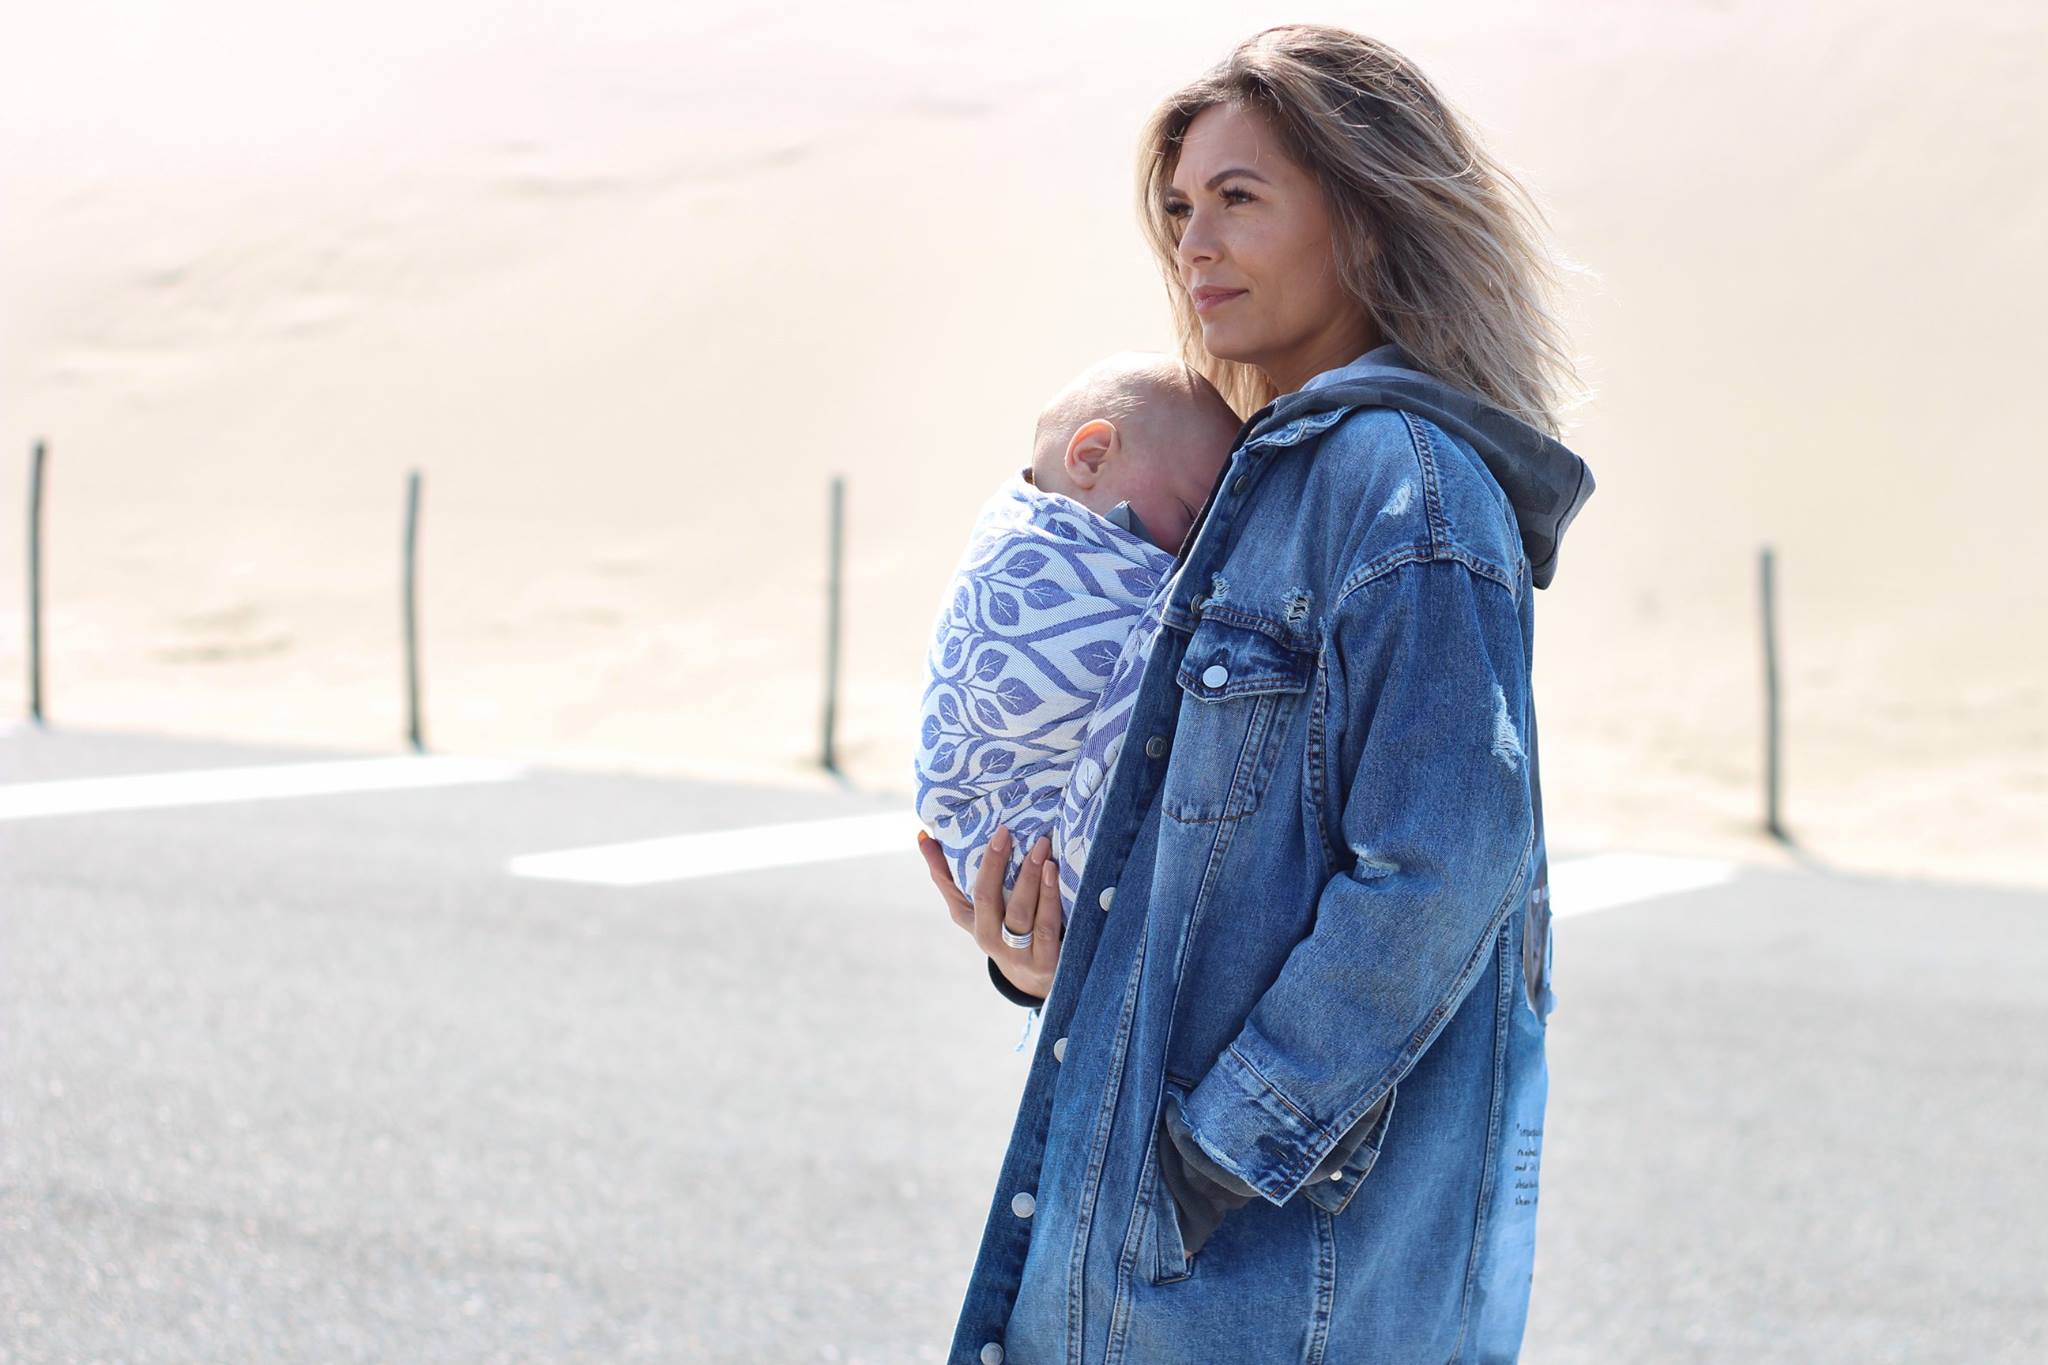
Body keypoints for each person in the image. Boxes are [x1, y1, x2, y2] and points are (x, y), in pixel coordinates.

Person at [916, 23, 1598, 1363]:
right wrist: (1053, 961)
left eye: (1238, 198)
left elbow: (1442, 866)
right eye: (1179, 209)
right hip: (1138, 1263)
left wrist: (1217, 1152)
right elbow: (1210, 863)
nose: (1195, 245)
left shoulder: (1406, 491)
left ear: (1364, 214)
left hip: (1265, 1293)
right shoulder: (1253, 478)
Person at [912, 352, 1240, 1048]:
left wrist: (1032, 971)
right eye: (1189, 518)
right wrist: (1025, 970)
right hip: (1011, 856)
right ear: (1090, 457)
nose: (1191, 554)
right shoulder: (1025, 551)